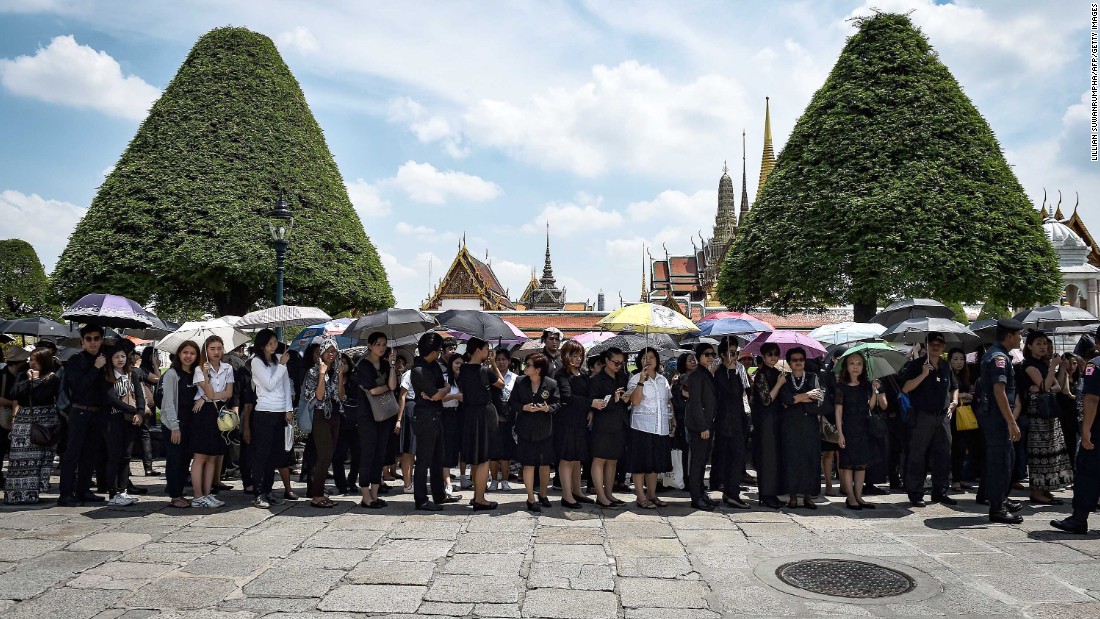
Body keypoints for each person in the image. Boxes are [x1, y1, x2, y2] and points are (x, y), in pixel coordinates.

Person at [900, 333, 958, 507]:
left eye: (939, 344)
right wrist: (923, 375)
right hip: (922, 416)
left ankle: (940, 491)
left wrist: (954, 402)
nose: (936, 347)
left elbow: (954, 387)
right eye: (932, 344)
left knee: (943, 455)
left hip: (942, 417)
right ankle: (915, 493)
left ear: (943, 347)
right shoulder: (916, 365)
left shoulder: (946, 365)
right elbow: (905, 388)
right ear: (926, 345)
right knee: (918, 455)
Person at [977, 319, 1025, 524]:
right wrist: (1011, 422)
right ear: (1009, 336)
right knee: (1001, 463)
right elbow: (999, 391)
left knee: (1006, 459)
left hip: (995, 416)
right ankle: (997, 508)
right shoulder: (999, 358)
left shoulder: (999, 354)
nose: (1021, 338)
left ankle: (1000, 498)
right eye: (1018, 335)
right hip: (997, 418)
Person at [1051, 330, 1100, 534]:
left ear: (1097, 342)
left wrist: (1086, 430)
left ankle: (1079, 519)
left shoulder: (1095, 365)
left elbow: (1092, 399)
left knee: (1088, 472)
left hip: (1098, 429)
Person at [1018, 331, 1074, 504]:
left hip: (1048, 412)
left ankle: (1045, 488)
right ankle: (1037, 490)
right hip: (1037, 414)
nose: (1043, 347)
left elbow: (1055, 387)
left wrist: (1045, 384)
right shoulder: (1029, 364)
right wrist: (1050, 372)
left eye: (1044, 343)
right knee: (1039, 452)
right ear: (1029, 346)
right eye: (1038, 343)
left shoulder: (1042, 364)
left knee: (1051, 451)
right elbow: (1045, 386)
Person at [58, 324, 109, 507]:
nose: (93, 342)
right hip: (79, 411)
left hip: (97, 413)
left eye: (96, 338)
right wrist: (95, 368)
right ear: (82, 341)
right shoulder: (75, 360)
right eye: (89, 339)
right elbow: (79, 386)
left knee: (90, 453)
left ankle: (83, 490)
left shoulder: (104, 360)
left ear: (101, 340)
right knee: (72, 453)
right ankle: (65, 493)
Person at [410, 332, 460, 511]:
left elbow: (441, 389)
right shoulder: (418, 370)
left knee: (439, 457)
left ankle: (439, 494)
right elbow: (437, 394)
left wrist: (442, 390)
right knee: (424, 459)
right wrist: (440, 392)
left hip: (437, 413)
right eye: (438, 350)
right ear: (432, 351)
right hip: (424, 416)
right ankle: (421, 499)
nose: (440, 353)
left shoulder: (434, 367)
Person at [5, 348, 61, 504]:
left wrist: (37, 382)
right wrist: (30, 381)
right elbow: (15, 393)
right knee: (18, 459)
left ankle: (32, 493)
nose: (33, 363)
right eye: (31, 359)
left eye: (36, 360)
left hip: (44, 424)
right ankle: (16, 494)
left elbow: (43, 395)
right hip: (24, 423)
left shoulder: (53, 378)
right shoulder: (23, 375)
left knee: (39, 460)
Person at [247, 329, 294, 509]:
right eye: (270, 342)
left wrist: (288, 409)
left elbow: (285, 386)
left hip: (279, 411)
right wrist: (282, 365)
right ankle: (259, 492)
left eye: (275, 341)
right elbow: (269, 384)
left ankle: (268, 490)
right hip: (264, 412)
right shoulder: (256, 362)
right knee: (262, 455)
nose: (274, 345)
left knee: (275, 455)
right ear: (262, 344)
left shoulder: (278, 361)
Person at [352, 333, 399, 509]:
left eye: (384, 344)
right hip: (367, 415)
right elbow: (373, 390)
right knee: (368, 454)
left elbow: (393, 386)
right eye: (378, 344)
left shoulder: (386, 364)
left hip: (384, 415)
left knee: (380, 454)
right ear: (370, 345)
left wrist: (393, 365)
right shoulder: (363, 365)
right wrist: (387, 387)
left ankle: (374, 493)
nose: (381, 347)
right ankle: (365, 495)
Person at [835, 351, 887, 510]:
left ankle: (859, 496)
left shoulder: (866, 385)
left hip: (863, 428)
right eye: (852, 363)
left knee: (861, 465)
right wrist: (840, 433)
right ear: (846, 367)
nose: (855, 367)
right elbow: (838, 411)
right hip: (848, 428)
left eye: (859, 364)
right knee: (848, 464)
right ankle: (850, 497)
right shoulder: (841, 386)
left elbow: (870, 407)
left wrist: (875, 391)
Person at [458, 337, 505, 510]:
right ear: (478, 350)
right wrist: (493, 363)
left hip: (469, 414)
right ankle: (480, 498)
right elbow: (501, 384)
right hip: (484, 413)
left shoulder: (462, 369)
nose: (488, 351)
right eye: (486, 348)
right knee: (484, 457)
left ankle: (476, 495)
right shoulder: (484, 371)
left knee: (476, 457)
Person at [625, 347, 674, 509]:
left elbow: (667, 401)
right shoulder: (635, 378)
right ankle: (640, 496)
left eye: (652, 357)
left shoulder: (662, 380)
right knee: (640, 464)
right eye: (644, 357)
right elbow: (635, 401)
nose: (648, 360)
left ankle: (652, 494)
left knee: (654, 464)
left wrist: (672, 418)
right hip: (642, 427)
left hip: (660, 427)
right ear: (639, 361)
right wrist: (641, 380)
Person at [512, 353, 560, 512]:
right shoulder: (520, 382)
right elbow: (513, 402)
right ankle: (530, 497)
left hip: (544, 429)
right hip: (525, 429)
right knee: (528, 464)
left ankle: (543, 494)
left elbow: (558, 403)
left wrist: (548, 408)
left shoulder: (551, 384)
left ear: (538, 369)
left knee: (545, 464)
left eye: (529, 365)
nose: (526, 367)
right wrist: (524, 407)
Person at [188, 336, 232, 508]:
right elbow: (209, 390)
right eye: (212, 348)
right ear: (206, 351)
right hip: (203, 413)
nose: (216, 352)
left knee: (214, 455)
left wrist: (209, 396)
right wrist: (206, 376)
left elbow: (228, 392)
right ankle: (198, 495)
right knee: (200, 455)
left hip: (219, 410)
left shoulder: (228, 368)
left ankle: (208, 493)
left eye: (219, 348)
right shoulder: (199, 369)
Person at [302, 338, 345, 508]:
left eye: (334, 351)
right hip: (320, 414)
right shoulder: (313, 372)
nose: (331, 354)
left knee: (329, 455)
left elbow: (341, 396)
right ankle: (316, 494)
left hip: (335, 414)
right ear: (321, 353)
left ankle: (319, 491)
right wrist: (321, 374)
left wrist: (341, 376)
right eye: (328, 351)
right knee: (324, 455)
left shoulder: (336, 370)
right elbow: (319, 396)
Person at [780, 347, 824, 509]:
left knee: (809, 459)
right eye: (794, 360)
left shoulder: (813, 377)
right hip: (790, 426)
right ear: (790, 363)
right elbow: (785, 401)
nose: (798, 363)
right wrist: (806, 396)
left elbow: (818, 398)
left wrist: (796, 399)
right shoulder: (785, 379)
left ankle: (808, 496)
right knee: (791, 459)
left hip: (809, 425)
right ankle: (792, 496)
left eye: (801, 359)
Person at [555, 340, 596, 508]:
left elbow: (590, 393)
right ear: (566, 355)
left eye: (580, 355)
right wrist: (590, 403)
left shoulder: (584, 374)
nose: (578, 359)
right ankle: (566, 494)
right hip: (566, 420)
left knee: (577, 458)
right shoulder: (561, 375)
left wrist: (591, 409)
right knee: (567, 457)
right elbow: (567, 396)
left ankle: (577, 491)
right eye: (575, 355)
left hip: (581, 420)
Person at [103, 344, 146, 506]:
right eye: (116, 357)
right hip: (113, 420)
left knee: (126, 456)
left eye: (122, 356)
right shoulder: (107, 376)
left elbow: (140, 395)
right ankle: (113, 493)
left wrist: (140, 412)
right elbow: (110, 398)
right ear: (110, 359)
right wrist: (133, 409)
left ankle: (123, 490)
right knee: (114, 456)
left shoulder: (131, 374)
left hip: (130, 420)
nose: (120, 360)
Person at [161, 341, 201, 509]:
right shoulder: (172, 374)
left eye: (192, 353)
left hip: (191, 423)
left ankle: (179, 492)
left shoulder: (196, 374)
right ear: (179, 354)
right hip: (174, 423)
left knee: (185, 460)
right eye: (185, 352)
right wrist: (174, 427)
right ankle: (174, 495)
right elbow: (168, 402)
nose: (188, 356)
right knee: (175, 460)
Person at [588, 347, 629, 508]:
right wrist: (615, 399)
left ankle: (609, 493)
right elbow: (594, 402)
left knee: (613, 460)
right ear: (606, 360)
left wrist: (626, 398)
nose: (618, 366)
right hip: (603, 424)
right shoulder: (597, 380)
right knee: (599, 459)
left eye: (621, 363)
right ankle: (600, 495)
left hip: (620, 423)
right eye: (616, 362)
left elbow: (627, 398)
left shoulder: (623, 377)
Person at [715, 339, 750, 508]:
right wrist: (729, 371)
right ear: (723, 355)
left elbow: (743, 393)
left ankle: (732, 491)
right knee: (731, 458)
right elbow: (728, 394)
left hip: (738, 419)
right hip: (725, 422)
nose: (734, 356)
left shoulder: (737, 371)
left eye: (736, 352)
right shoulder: (721, 372)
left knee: (737, 458)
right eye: (731, 352)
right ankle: (731, 492)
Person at [685, 343, 720, 511]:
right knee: (697, 463)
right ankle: (696, 497)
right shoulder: (696, 375)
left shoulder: (706, 373)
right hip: (700, 426)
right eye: (707, 354)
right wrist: (702, 427)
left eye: (713, 355)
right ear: (699, 356)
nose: (710, 357)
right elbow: (695, 403)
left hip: (708, 423)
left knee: (703, 462)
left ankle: (701, 493)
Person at [751, 342, 786, 509]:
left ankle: (772, 493)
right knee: (767, 459)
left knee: (776, 458)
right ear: (763, 357)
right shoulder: (761, 374)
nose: (773, 357)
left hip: (777, 419)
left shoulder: (777, 372)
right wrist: (779, 385)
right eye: (770, 354)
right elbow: (766, 399)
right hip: (765, 421)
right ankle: (765, 494)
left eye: (776, 354)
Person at [948, 348, 983, 491]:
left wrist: (970, 395)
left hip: (968, 413)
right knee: (957, 447)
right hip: (954, 414)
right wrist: (963, 395)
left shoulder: (966, 375)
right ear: (949, 360)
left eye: (961, 359)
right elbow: (948, 394)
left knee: (967, 447)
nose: (959, 362)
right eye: (955, 359)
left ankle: (961, 477)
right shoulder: (948, 375)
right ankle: (955, 480)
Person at [332, 352, 362, 496]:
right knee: (338, 455)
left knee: (357, 454)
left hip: (353, 419)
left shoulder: (354, 379)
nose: (342, 365)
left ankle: (351, 481)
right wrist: (339, 378)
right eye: (339, 362)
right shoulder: (331, 379)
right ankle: (341, 484)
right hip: (338, 420)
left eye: (344, 362)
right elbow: (339, 396)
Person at [489, 348, 517, 492]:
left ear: (509, 361)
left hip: (508, 416)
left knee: (506, 451)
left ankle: (505, 480)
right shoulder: (490, 375)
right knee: (493, 451)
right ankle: (494, 480)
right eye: (498, 359)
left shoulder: (515, 378)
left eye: (503, 359)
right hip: (493, 416)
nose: (501, 362)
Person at [670, 352, 696, 490]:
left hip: (688, 418)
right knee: (687, 451)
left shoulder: (693, 377)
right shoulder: (682, 379)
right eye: (690, 360)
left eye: (694, 360)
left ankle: (689, 479)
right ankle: (687, 479)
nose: (693, 362)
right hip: (684, 419)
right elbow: (679, 400)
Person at [441, 353, 464, 495]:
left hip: (460, 415)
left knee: (458, 448)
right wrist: (455, 396)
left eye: (462, 363)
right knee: (446, 449)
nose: (459, 366)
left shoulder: (465, 380)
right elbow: (438, 398)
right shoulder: (445, 379)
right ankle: (447, 483)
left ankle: (460, 478)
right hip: (446, 415)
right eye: (457, 363)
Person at [396, 356, 415, 492]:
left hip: (424, 409)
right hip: (410, 409)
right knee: (408, 450)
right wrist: (399, 419)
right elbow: (402, 396)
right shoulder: (408, 374)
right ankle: (407, 483)